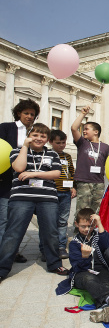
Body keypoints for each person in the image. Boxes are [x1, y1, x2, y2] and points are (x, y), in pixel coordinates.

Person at [0, 123, 68, 283]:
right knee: (13, 232)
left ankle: (54, 263)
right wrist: (24, 145)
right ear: (29, 135)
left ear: (47, 139)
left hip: (48, 198)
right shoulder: (17, 151)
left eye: (43, 136)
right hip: (21, 197)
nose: (39, 138)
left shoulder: (52, 154)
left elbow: (56, 173)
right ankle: (2, 268)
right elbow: (18, 167)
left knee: (51, 232)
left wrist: (34, 173)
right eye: (35, 135)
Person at [56, 208, 109, 323]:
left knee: (105, 280)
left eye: (89, 226)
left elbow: (107, 245)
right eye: (83, 226)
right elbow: (77, 267)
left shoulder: (97, 235)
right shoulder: (75, 243)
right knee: (89, 279)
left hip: (99, 269)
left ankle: (104, 307)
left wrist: (99, 224)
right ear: (76, 224)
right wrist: (84, 256)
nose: (86, 229)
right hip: (82, 272)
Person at [0, 98, 40, 263]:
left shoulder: (35, 132)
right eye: (26, 113)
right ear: (18, 113)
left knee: (18, 220)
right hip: (6, 181)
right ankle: (3, 254)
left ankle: (13, 251)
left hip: (25, 182)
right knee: (4, 218)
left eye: (32, 114)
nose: (30, 116)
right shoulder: (6, 128)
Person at [71, 106, 109, 215]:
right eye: (83, 129)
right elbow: (74, 128)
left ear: (96, 132)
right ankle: (78, 230)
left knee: (96, 209)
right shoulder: (83, 143)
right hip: (84, 181)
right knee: (82, 209)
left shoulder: (105, 147)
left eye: (87, 129)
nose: (84, 131)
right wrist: (83, 114)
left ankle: (92, 230)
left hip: (99, 182)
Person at [45, 130, 76, 260]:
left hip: (66, 193)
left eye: (63, 143)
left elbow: (71, 172)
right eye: (58, 143)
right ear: (51, 142)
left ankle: (61, 246)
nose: (61, 145)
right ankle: (47, 248)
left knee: (63, 221)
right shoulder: (48, 155)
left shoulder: (67, 156)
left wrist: (73, 186)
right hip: (52, 192)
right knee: (49, 221)